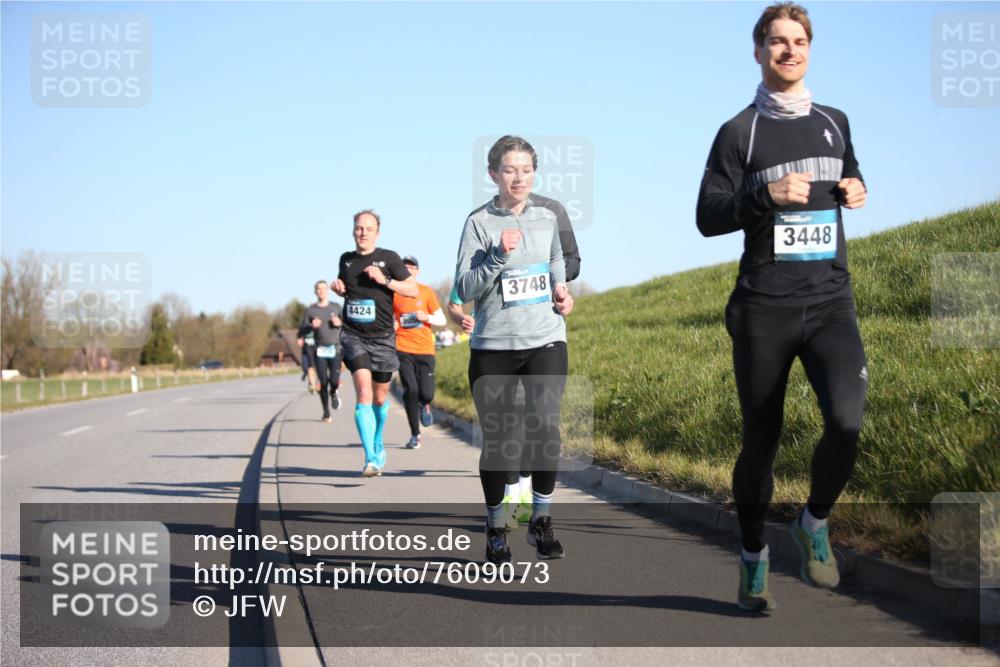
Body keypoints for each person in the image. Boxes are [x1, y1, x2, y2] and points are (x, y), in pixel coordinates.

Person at [696, 2, 868, 612]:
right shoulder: (738, 132)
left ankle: (813, 521)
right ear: (758, 51)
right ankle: (751, 555)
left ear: (810, 50)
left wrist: (857, 187)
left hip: (829, 303)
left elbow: (849, 175)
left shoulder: (835, 120)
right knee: (761, 442)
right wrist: (761, 194)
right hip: (764, 308)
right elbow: (706, 217)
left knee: (847, 420)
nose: (788, 50)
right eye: (776, 41)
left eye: (798, 41)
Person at [455, 135, 576, 564]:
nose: (519, 177)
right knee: (501, 442)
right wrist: (497, 257)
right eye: (509, 169)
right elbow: (464, 287)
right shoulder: (477, 223)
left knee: (545, 426)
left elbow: (557, 262)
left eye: (526, 169)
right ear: (493, 175)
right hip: (494, 346)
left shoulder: (547, 216)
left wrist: (562, 292)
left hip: (546, 337)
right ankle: (495, 527)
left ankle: (541, 520)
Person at [332, 210, 419, 477]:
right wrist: (339, 288)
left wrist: (385, 280)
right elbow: (347, 289)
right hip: (353, 334)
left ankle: (378, 441)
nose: (363, 232)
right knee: (364, 395)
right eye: (359, 228)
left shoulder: (389, 258)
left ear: (377, 233)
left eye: (368, 228)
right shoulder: (346, 260)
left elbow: (412, 289)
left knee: (380, 398)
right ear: (353, 231)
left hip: (382, 338)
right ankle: (371, 457)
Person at [393, 255, 446, 449]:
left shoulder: (426, 292)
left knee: (426, 393)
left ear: (418, 271)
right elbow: (389, 318)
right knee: (411, 391)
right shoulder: (394, 293)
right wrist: (394, 324)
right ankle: (415, 434)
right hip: (403, 348)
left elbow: (442, 320)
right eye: (405, 266)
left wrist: (427, 317)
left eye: (412, 266)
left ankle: (425, 404)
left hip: (425, 350)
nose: (408, 269)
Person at [297, 280, 343, 421]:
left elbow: (347, 325)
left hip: (335, 348)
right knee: (323, 382)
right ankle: (326, 413)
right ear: (315, 291)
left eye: (323, 288)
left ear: (327, 291)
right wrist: (311, 325)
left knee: (334, 381)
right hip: (320, 350)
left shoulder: (336, 307)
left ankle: (334, 392)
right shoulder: (311, 310)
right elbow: (302, 329)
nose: (321, 291)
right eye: (318, 289)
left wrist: (339, 323)